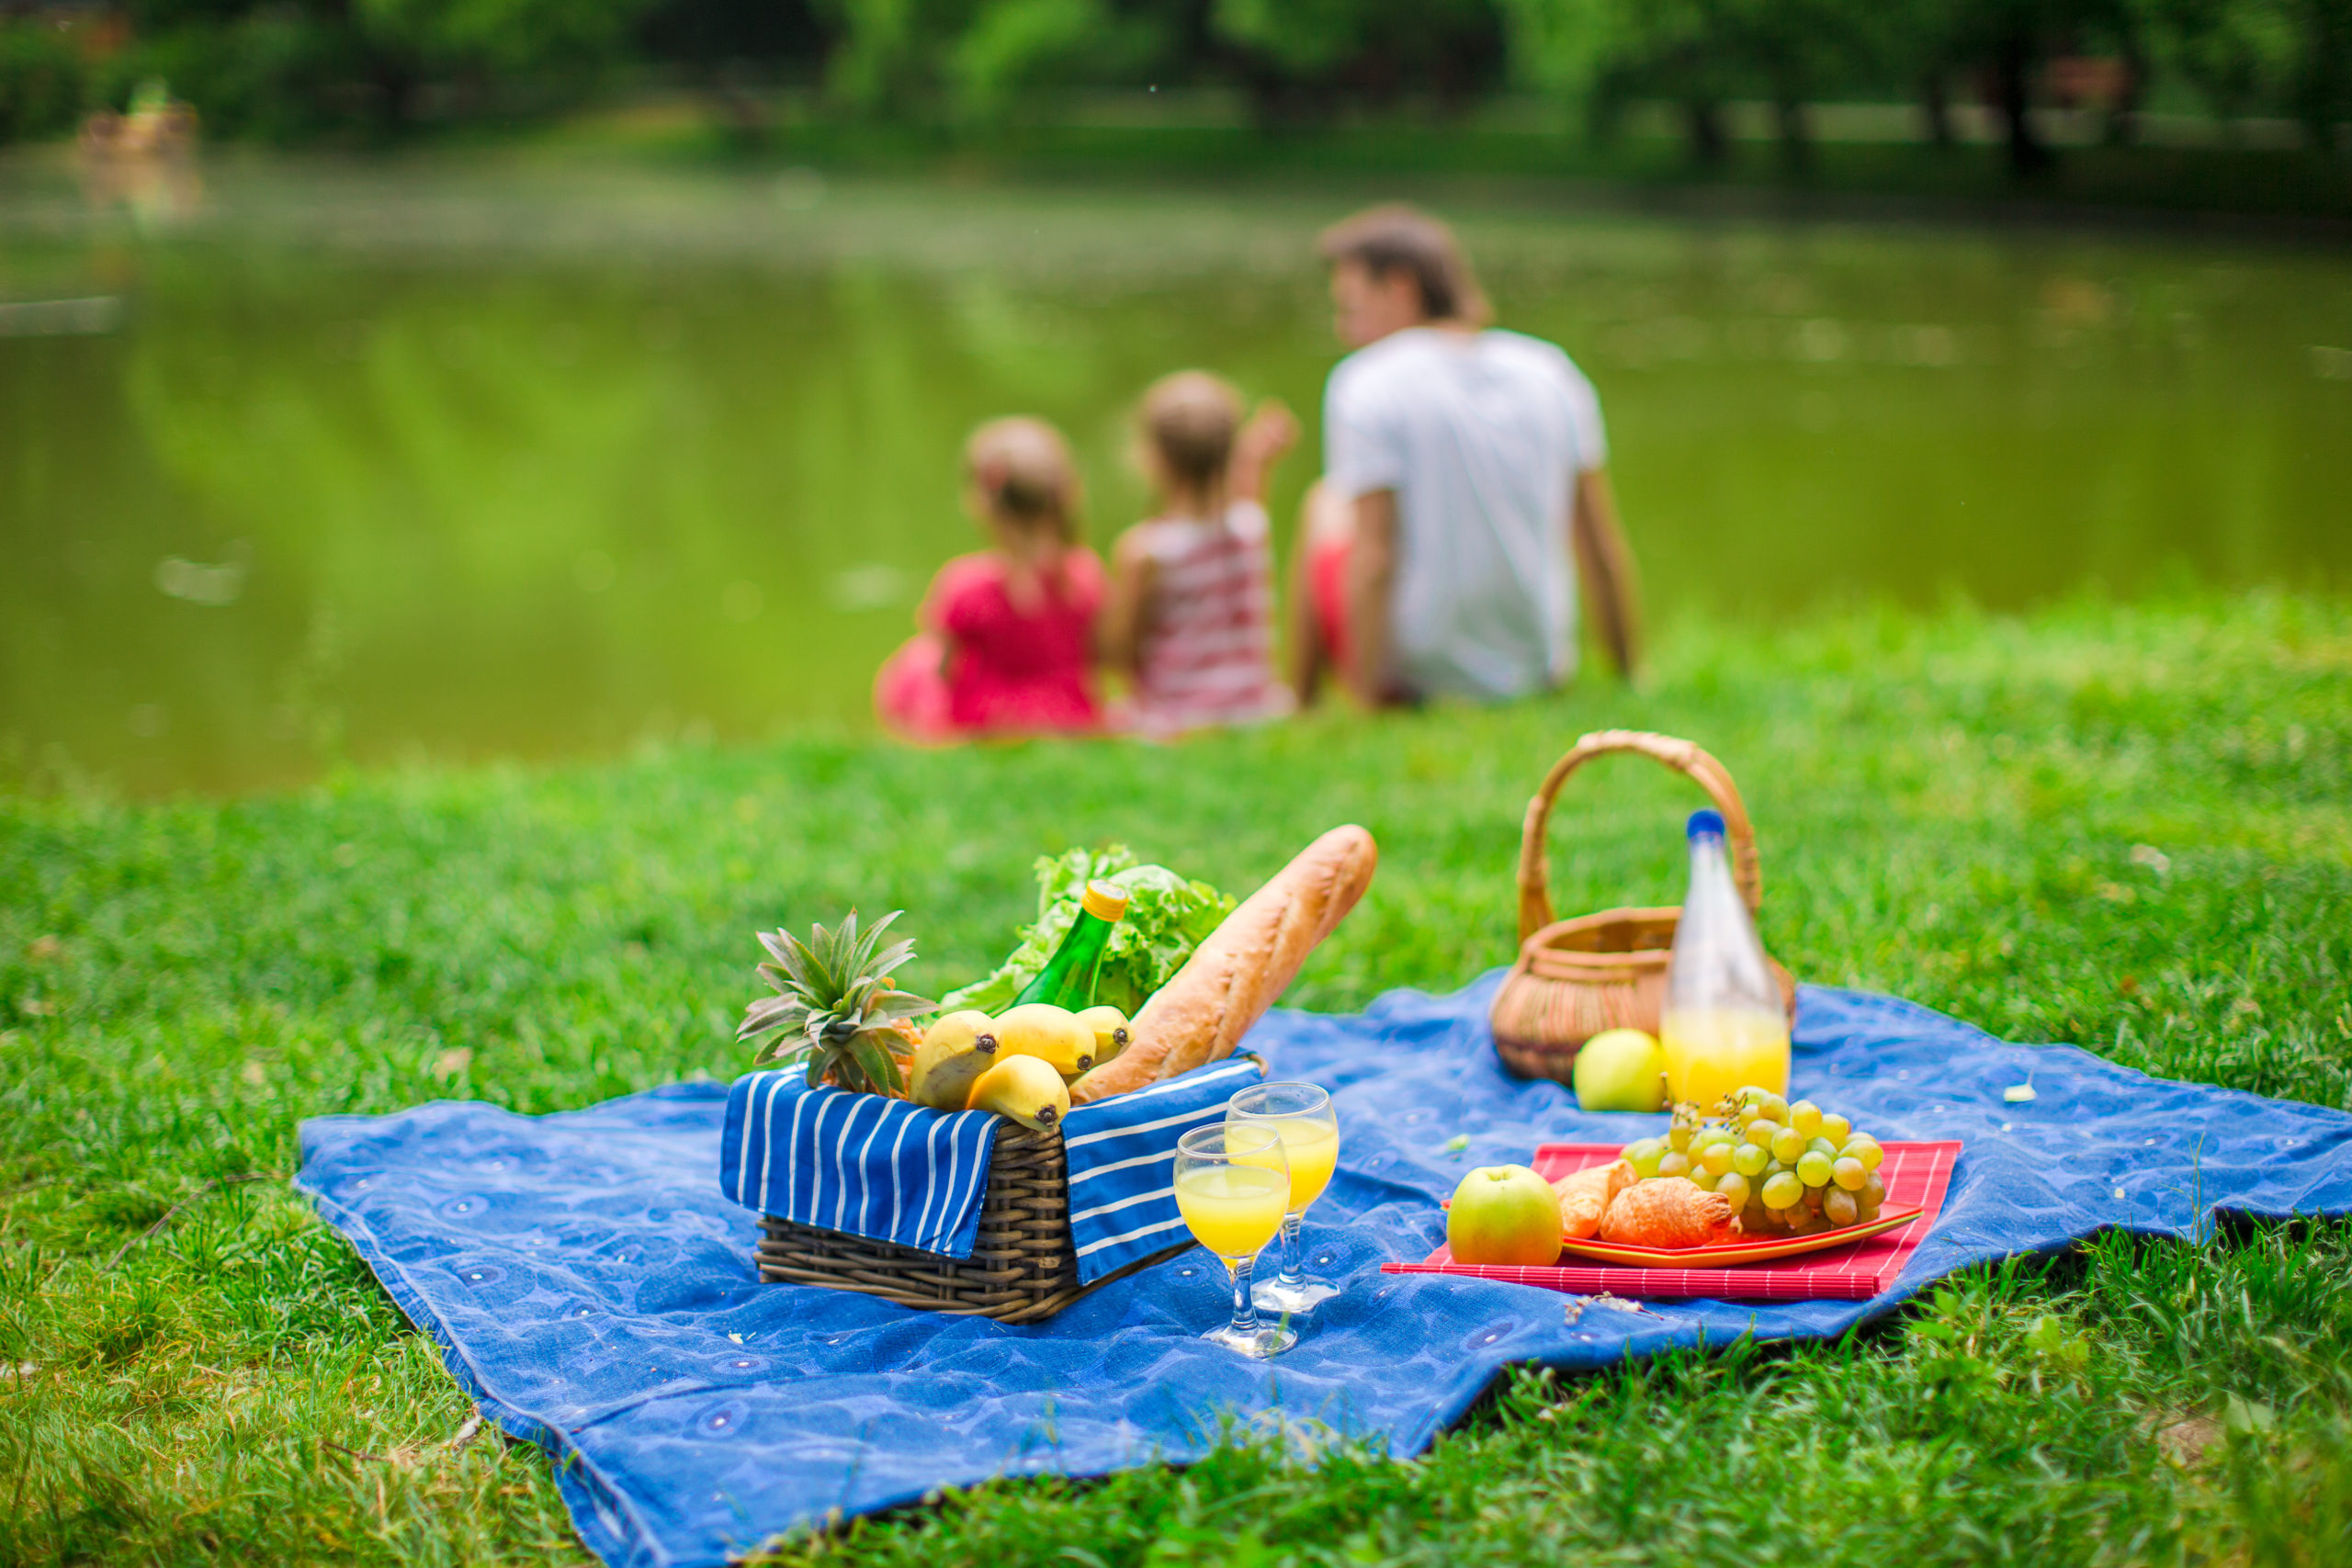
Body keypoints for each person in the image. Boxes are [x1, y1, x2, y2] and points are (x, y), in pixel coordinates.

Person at [1288, 204, 1642, 708]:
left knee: (1324, 502)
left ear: (1401, 288)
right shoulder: (1550, 370)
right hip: (1538, 667)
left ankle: (1302, 704)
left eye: (1353, 307)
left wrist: (1366, 705)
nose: (1346, 330)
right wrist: (1629, 673)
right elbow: (1599, 542)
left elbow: (1374, 558)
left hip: (1418, 677)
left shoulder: (1365, 382)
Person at [873, 416, 1106, 740]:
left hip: (988, 720)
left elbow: (945, 670)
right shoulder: (1086, 574)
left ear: (981, 504)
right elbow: (1098, 657)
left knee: (915, 662)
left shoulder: (966, 584)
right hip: (1070, 714)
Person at [1098, 371, 1298, 737]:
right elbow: (1243, 499)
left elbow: (1117, 653)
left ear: (1153, 458)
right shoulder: (1252, 528)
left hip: (1177, 717)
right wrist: (1256, 459)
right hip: (1255, 711)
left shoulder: (1145, 551)